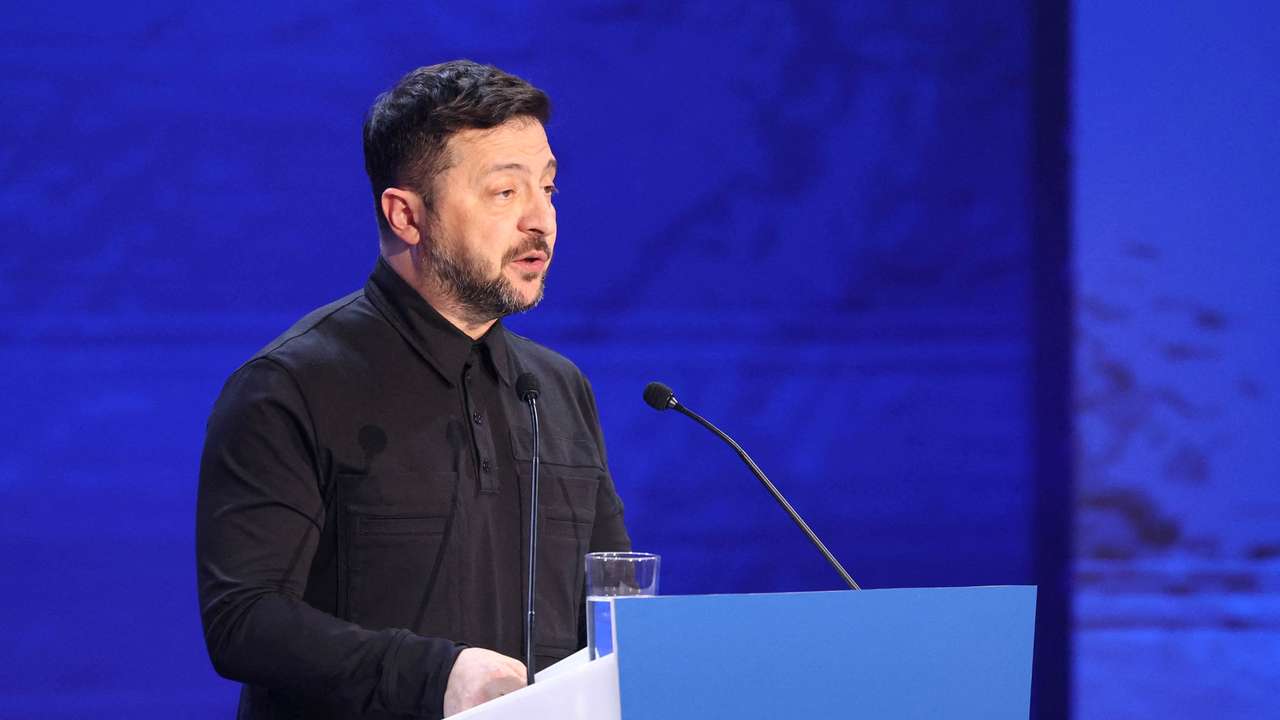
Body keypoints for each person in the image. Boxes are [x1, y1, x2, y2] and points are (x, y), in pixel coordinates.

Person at [196, 60, 631, 719]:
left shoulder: (557, 388)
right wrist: (436, 676)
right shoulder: (291, 386)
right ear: (406, 214)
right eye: (505, 193)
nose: (541, 221)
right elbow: (244, 620)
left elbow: (614, 601)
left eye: (548, 189)